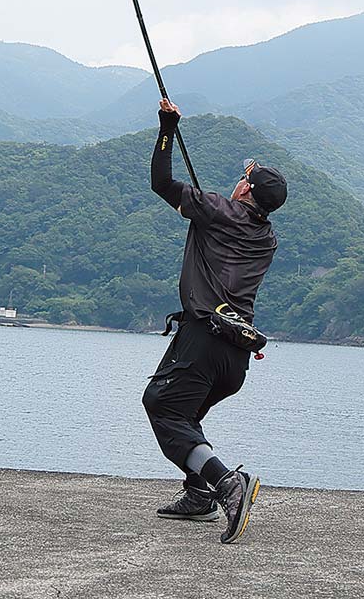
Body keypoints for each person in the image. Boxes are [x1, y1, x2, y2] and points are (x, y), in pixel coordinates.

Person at [143, 98, 287, 544]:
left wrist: (167, 128)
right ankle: (199, 494)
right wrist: (208, 209)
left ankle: (226, 484)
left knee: (162, 405)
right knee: (186, 418)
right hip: (235, 355)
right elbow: (226, 230)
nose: (239, 181)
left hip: (203, 339)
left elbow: (161, 182)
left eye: (243, 178)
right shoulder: (267, 238)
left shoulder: (219, 211)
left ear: (245, 190)